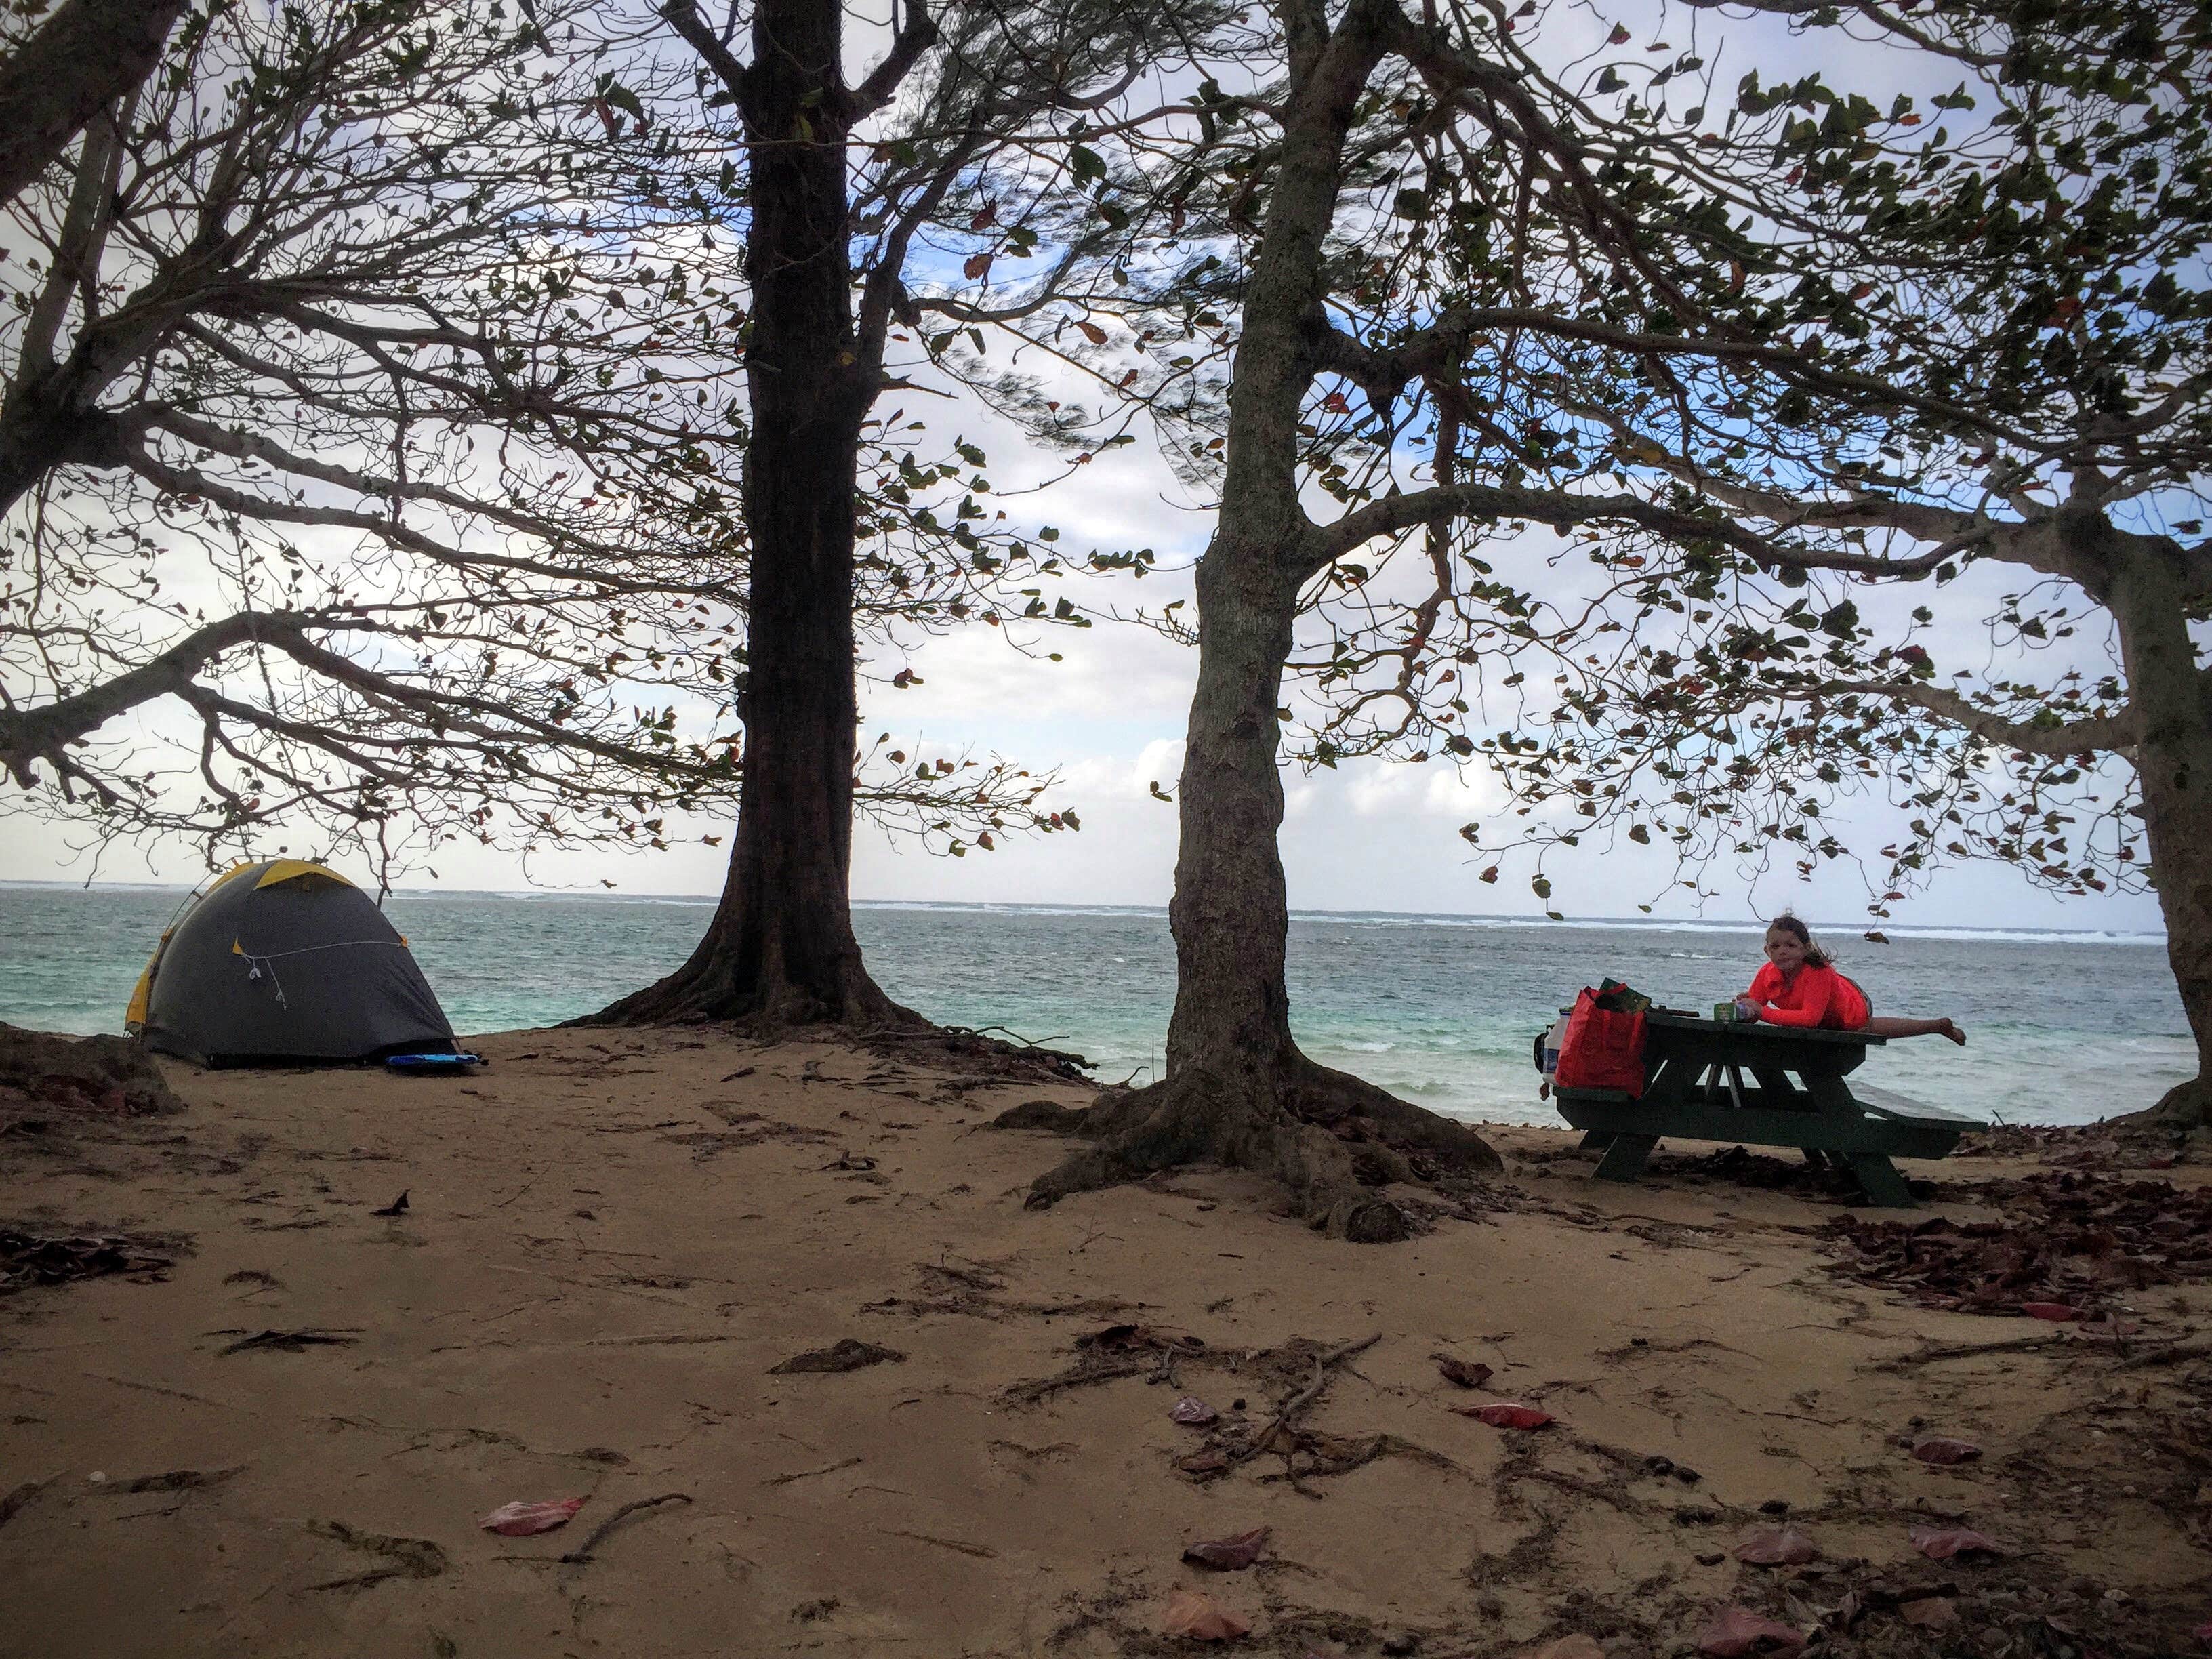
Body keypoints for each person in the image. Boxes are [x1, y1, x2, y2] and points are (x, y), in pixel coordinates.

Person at [1735, 914, 1966, 1044]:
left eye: (1790, 945)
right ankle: (1937, 1026)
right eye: (1775, 946)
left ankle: (1935, 1026)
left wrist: (1762, 1012)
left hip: (1851, 1004)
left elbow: (1809, 1019)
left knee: (1863, 1027)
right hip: (1825, 1018)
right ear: (1767, 951)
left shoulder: (1818, 972)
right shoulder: (1767, 974)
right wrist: (1745, 1010)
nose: (1782, 951)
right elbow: (1756, 1009)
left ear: (1805, 949)